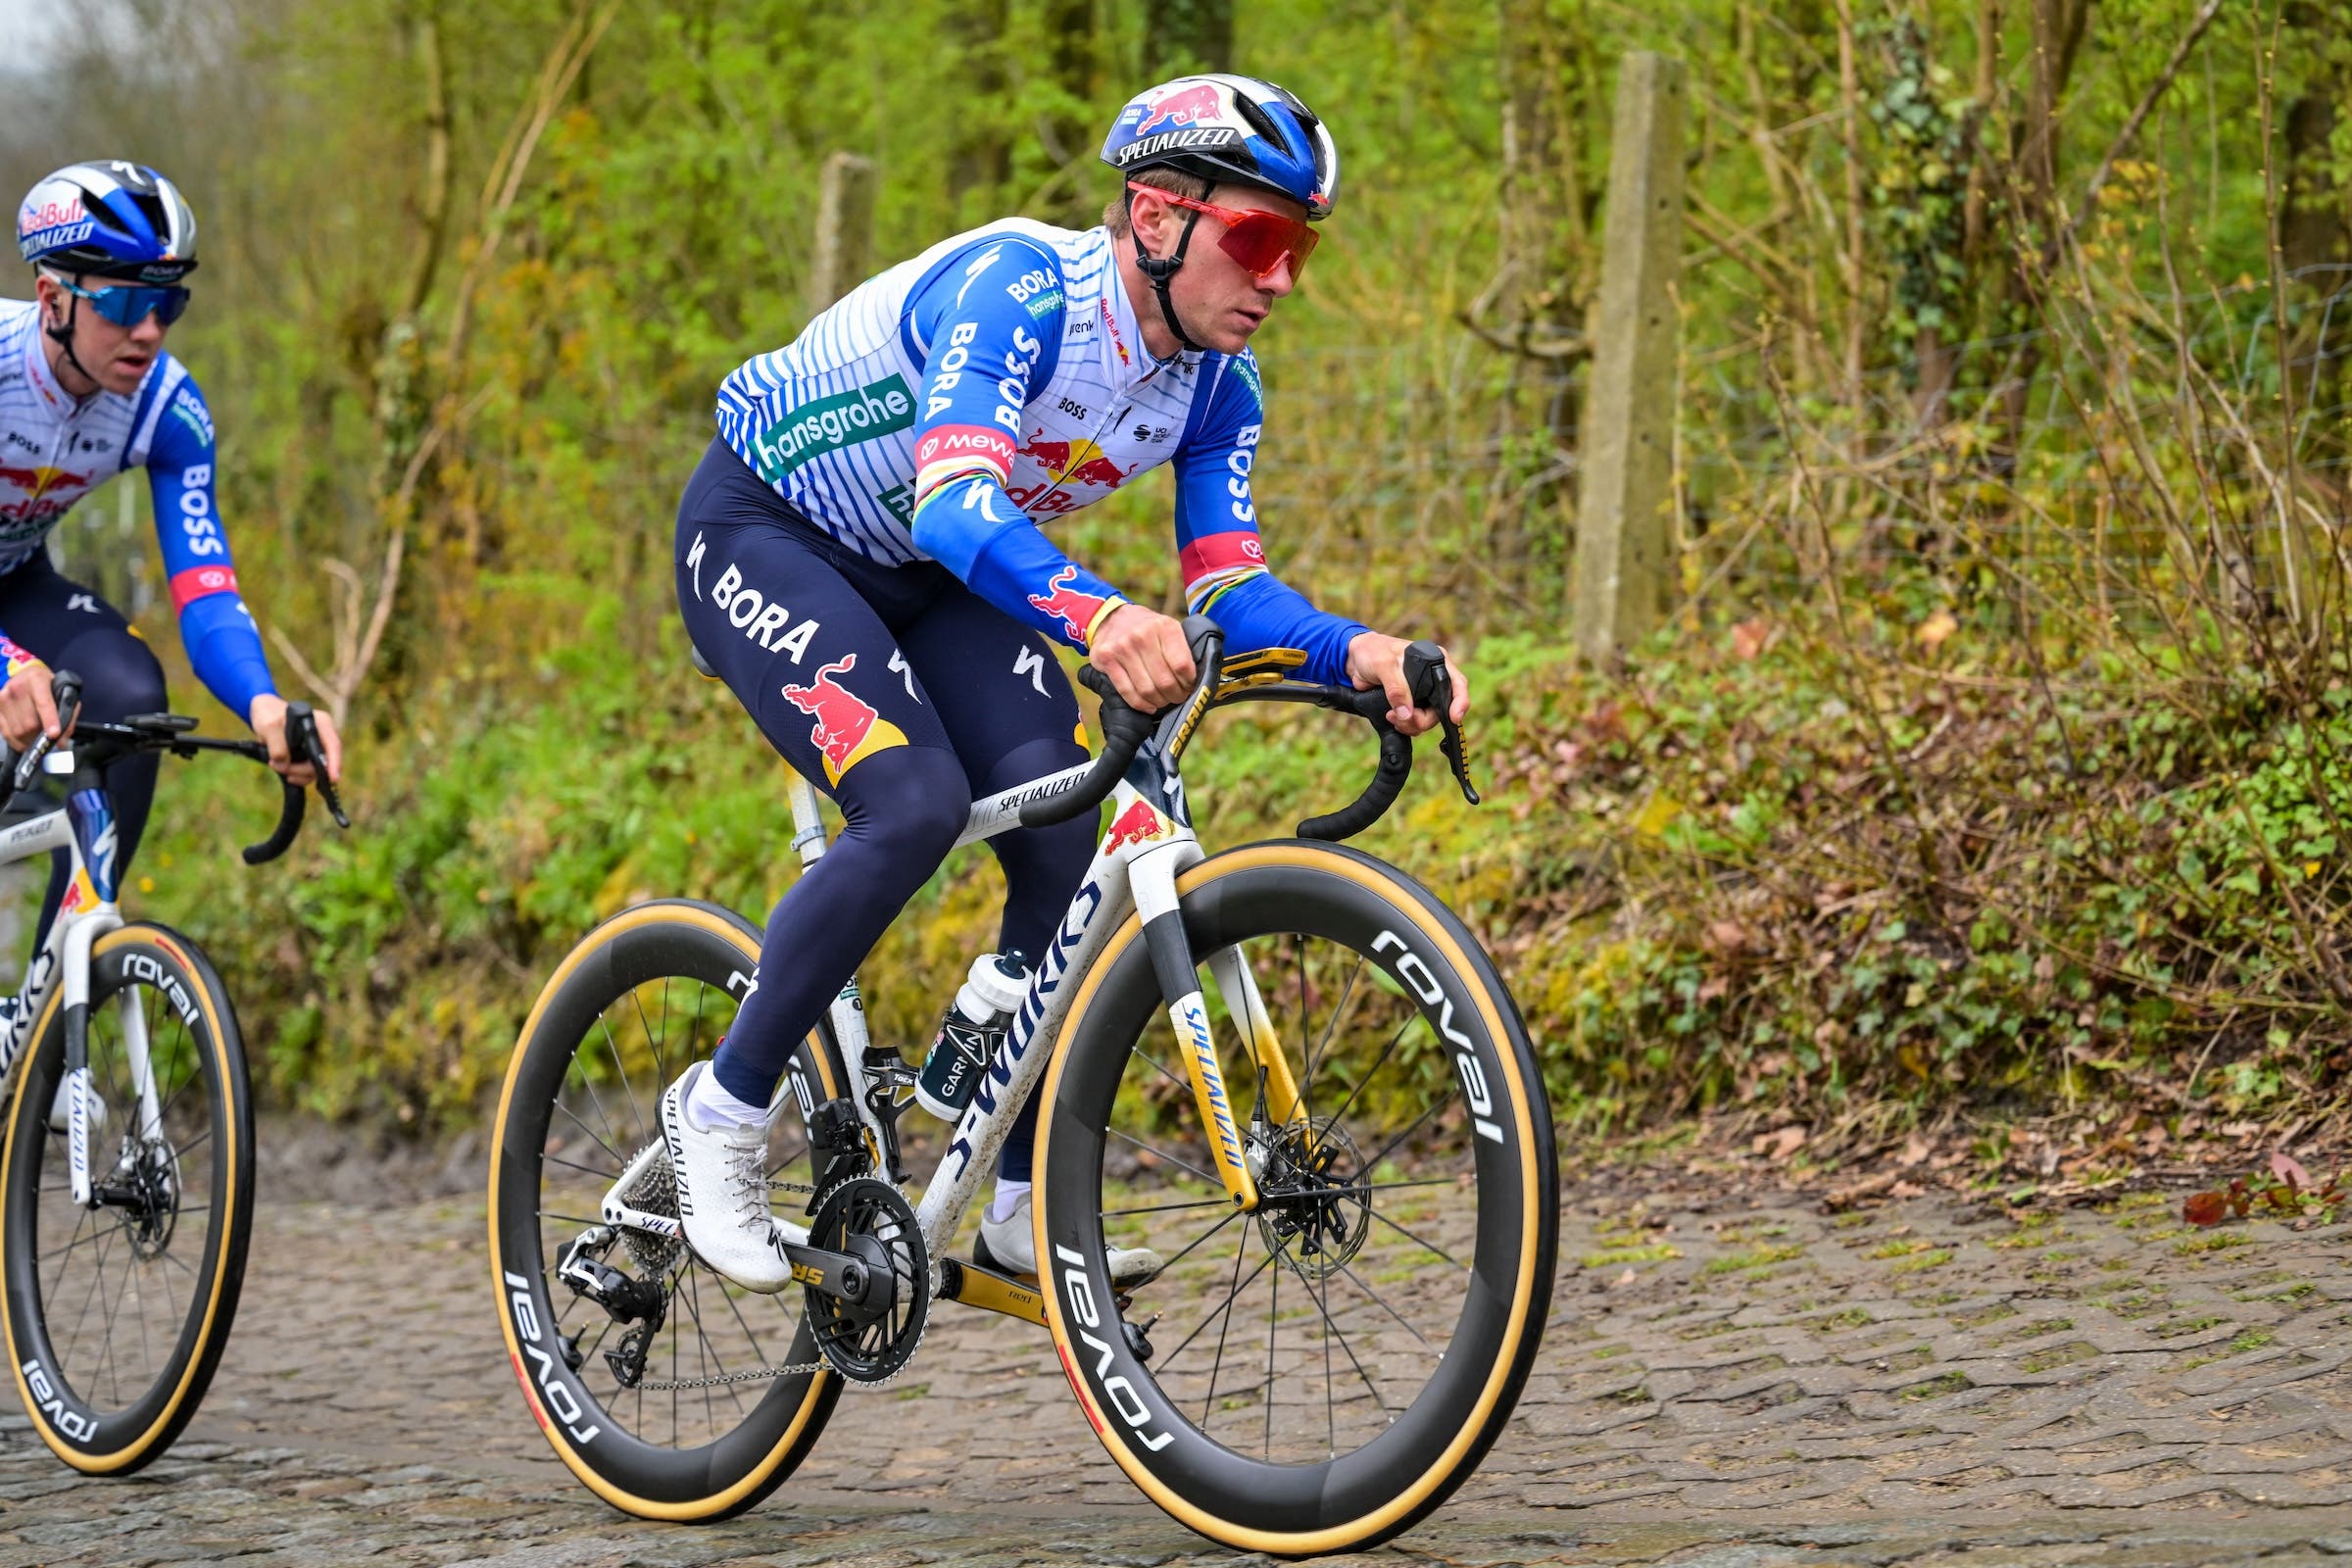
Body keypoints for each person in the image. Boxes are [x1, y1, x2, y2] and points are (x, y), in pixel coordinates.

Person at [662, 74, 1467, 1290]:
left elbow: (1228, 592)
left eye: (1297, 245)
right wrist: (1098, 616)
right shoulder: (1022, 290)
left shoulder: (1215, 388)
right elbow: (955, 499)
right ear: (1156, 218)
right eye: (1257, 239)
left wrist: (1355, 651)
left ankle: (1019, 1202)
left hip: (937, 578)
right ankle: (720, 1114)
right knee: (914, 797)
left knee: (1064, 833)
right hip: (772, 529)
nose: (1282, 278)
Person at [0, 161, 342, 987]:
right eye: (121, 301)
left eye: (167, 302)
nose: (148, 330)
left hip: (17, 582)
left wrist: (264, 704)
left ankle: (56, 1003)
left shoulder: (168, 408)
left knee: (126, 688)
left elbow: (204, 586)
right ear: (52, 300)